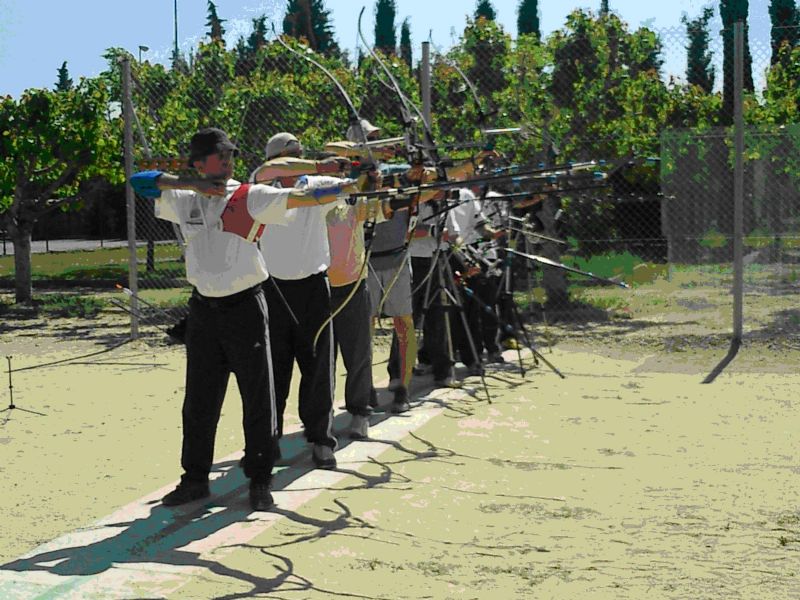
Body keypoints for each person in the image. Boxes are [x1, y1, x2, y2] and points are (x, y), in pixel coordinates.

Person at [130, 127, 349, 511]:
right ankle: (195, 479)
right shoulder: (183, 195)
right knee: (199, 402)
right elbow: (139, 181)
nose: (229, 160)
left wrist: (343, 186)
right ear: (198, 163)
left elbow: (299, 196)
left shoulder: (247, 196)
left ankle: (260, 480)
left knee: (258, 399)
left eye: (230, 154)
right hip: (203, 312)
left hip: (246, 307)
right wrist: (193, 185)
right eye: (220, 155)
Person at [251, 132, 363, 469]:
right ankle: (268, 442)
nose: (298, 161)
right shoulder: (261, 188)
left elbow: (349, 186)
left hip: (314, 288)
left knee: (318, 369)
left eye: (300, 154)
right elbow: (268, 170)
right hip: (272, 290)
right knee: (275, 372)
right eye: (290, 156)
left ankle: (321, 439)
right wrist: (321, 165)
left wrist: (358, 172)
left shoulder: (317, 183)